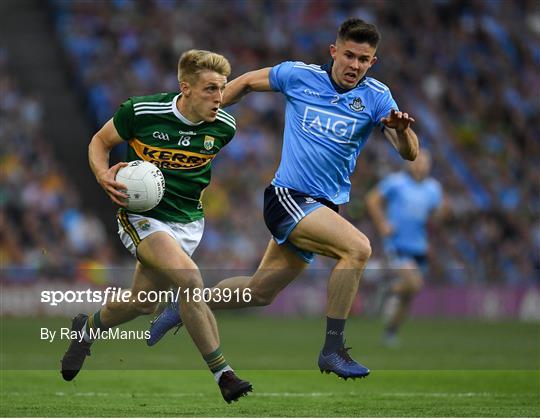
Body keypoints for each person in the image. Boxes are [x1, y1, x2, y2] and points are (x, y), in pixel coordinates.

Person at [148, 18, 419, 379]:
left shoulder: (376, 97)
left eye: (364, 59)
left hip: (322, 207)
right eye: (349, 55)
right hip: (288, 197)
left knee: (259, 292)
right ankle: (333, 350)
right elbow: (244, 83)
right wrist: (195, 115)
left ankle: (184, 305)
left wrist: (402, 133)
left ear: (373, 62)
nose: (354, 65)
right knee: (357, 249)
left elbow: (408, 153)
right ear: (333, 51)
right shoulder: (298, 76)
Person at [60, 50, 252, 404]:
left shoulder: (224, 127)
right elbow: (100, 142)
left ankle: (86, 330)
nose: (219, 98)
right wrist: (103, 175)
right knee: (191, 280)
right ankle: (223, 373)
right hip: (142, 218)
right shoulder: (142, 112)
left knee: (141, 304)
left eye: (222, 89)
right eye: (210, 88)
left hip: (189, 223)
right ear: (186, 88)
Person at [366, 150, 444, 347]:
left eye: (424, 163)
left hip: (419, 246)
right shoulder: (396, 182)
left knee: (408, 296)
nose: (420, 166)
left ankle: (390, 332)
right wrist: (382, 223)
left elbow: (436, 215)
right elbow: (372, 200)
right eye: (417, 162)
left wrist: (439, 217)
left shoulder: (433, 189)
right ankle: (386, 291)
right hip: (397, 244)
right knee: (414, 283)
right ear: (409, 163)